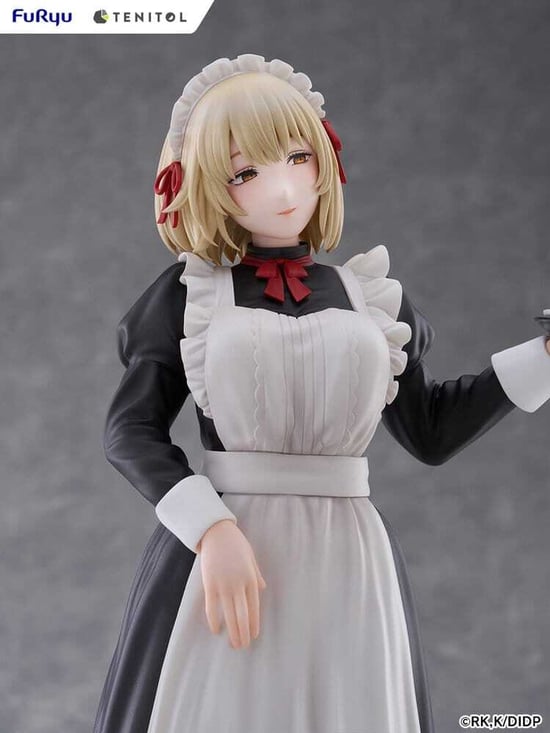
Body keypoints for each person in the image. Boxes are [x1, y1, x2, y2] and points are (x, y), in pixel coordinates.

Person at [94, 55, 550, 733]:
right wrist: (210, 528)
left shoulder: (369, 296)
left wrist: (542, 358)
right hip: (229, 548)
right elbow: (130, 430)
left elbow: (430, 430)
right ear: (208, 184)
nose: (282, 187)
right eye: (245, 172)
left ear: (323, 160)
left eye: (298, 158)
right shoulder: (189, 295)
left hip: (348, 557)